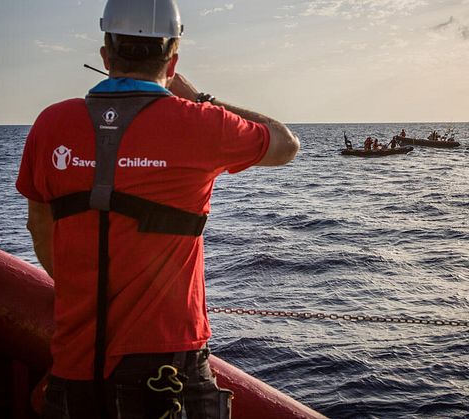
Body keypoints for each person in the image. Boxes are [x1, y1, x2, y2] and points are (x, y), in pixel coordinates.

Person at [15, 1, 299, 418]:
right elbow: (285, 144)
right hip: (169, 371)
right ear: (173, 58)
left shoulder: (50, 124)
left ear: (106, 54)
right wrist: (200, 98)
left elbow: (38, 224)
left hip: (74, 365)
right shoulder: (201, 124)